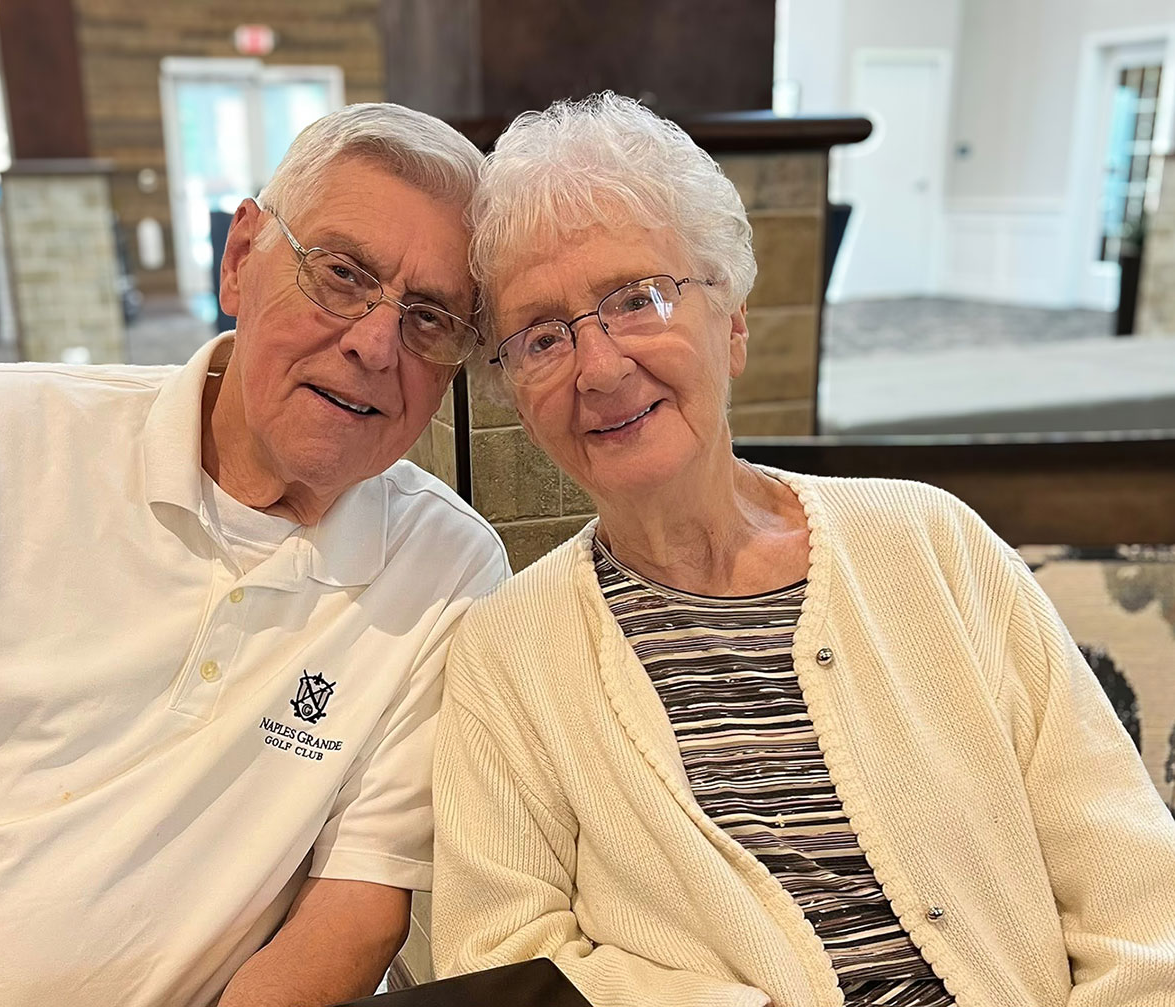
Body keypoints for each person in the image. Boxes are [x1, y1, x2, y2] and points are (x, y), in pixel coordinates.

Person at [430, 92, 1175, 1007]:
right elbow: (497, 956)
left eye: (638, 298)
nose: (601, 365)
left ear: (733, 323)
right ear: (515, 393)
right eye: (543, 336)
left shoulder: (933, 544)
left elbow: (1140, 899)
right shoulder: (506, 654)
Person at [0, 103, 508, 1007]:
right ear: (240, 259)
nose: (373, 342)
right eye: (341, 275)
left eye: (430, 318)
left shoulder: (448, 571)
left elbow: (355, 907)